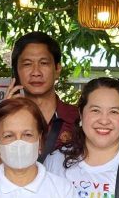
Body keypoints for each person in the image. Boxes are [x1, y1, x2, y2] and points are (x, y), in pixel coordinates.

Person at [6, 31, 80, 161]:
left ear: (57, 69)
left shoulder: (77, 118)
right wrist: (7, 117)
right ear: (16, 71)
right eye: (27, 64)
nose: (36, 72)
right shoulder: (3, 119)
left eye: (44, 63)